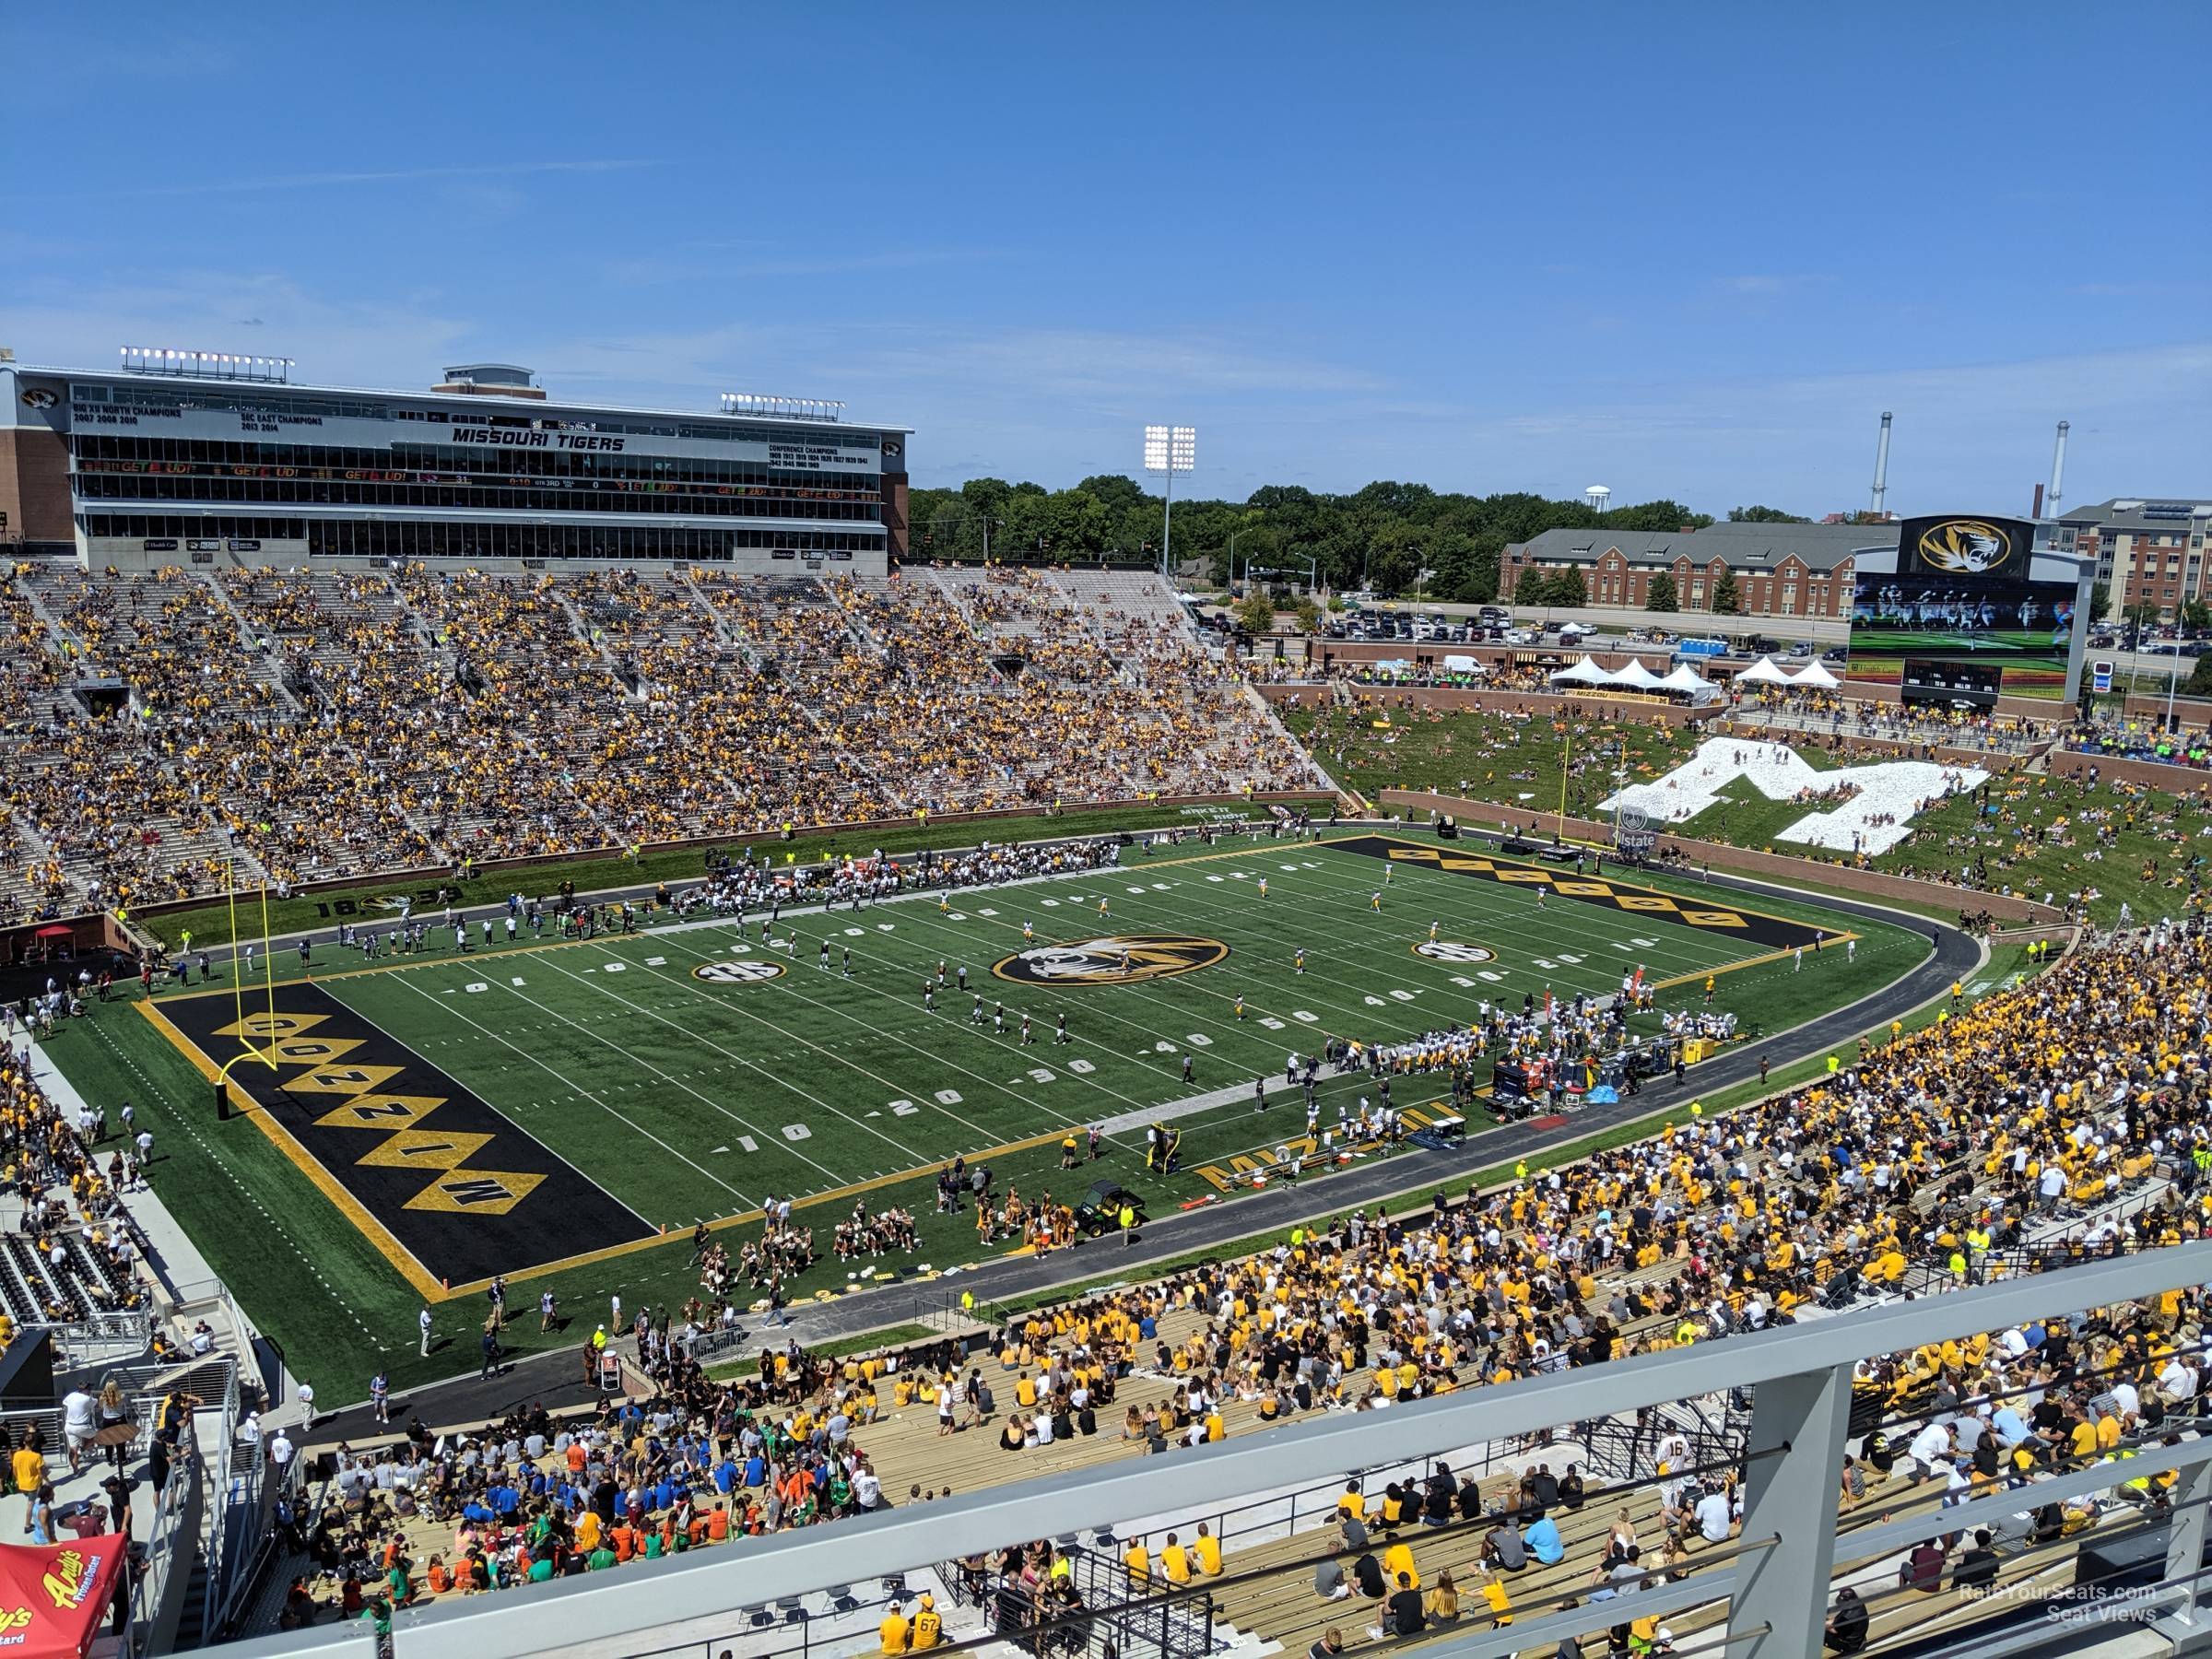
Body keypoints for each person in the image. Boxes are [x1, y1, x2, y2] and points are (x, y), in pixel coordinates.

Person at [1825, 1585, 1869, 1653]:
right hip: (1858, 1637)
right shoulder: (1858, 1604)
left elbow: (1834, 1630)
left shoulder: (1848, 1616)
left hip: (1851, 1646)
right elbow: (1837, 1620)